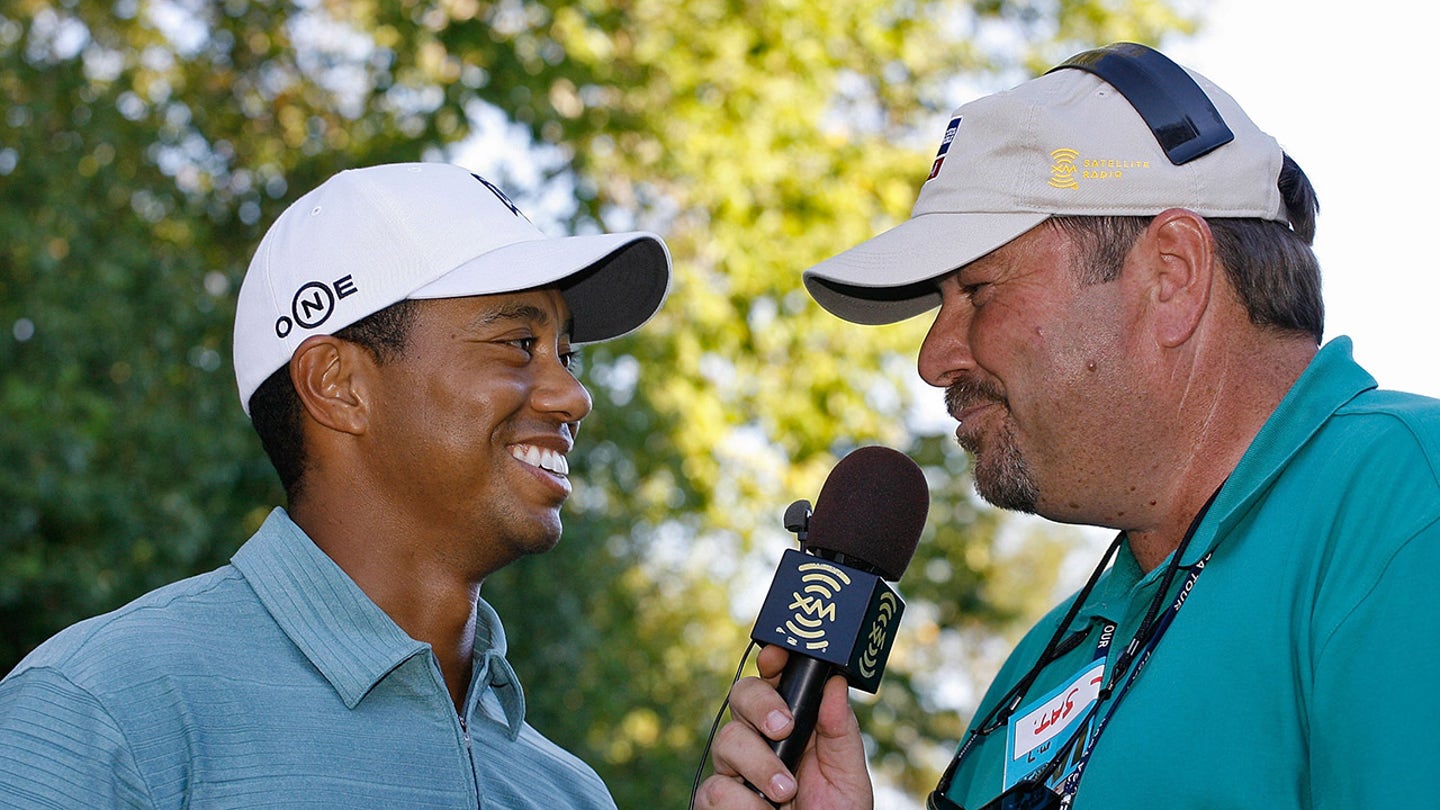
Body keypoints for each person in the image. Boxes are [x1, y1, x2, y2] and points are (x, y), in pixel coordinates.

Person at [696, 42, 1440, 809]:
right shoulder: (1046, 660)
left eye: (978, 290)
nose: (933, 358)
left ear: (1172, 275)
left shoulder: (1406, 506)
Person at [0, 162, 671, 808]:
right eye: (519, 343)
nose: (573, 395)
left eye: (567, 355)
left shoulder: (569, 793)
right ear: (338, 385)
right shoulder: (102, 713)